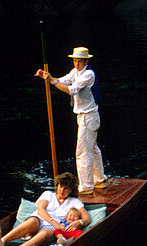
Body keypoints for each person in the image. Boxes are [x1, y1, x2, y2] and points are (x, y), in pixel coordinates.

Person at [36, 46, 108, 195]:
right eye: (75, 61)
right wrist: (47, 77)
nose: (77, 64)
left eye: (80, 61)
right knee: (92, 148)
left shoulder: (88, 74)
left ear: (86, 61)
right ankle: (99, 180)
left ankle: (86, 187)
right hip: (84, 117)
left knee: (82, 152)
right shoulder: (75, 72)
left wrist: (52, 82)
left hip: (88, 117)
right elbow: (62, 81)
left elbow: (72, 90)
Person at [1, 172, 91, 246]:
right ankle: (2, 241)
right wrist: (53, 222)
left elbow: (87, 218)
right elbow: (41, 210)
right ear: (57, 186)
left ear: (71, 190)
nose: (62, 190)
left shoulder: (74, 202)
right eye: (60, 186)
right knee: (32, 221)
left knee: (46, 233)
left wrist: (79, 222)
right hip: (39, 219)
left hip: (52, 228)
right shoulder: (48, 194)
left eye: (66, 188)